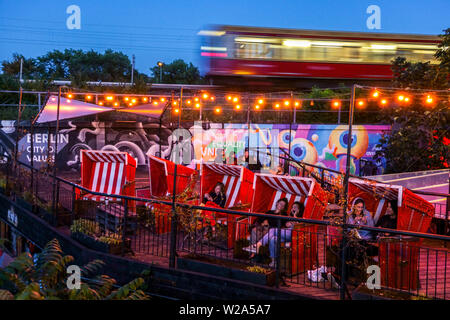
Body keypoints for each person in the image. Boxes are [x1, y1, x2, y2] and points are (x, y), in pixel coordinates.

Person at [244, 201, 303, 267]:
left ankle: (257, 245)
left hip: (294, 234)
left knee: (272, 230)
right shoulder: (289, 217)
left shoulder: (302, 217)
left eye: (295, 207)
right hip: (285, 233)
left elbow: (298, 226)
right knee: (273, 239)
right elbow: (287, 224)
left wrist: (295, 217)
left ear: (299, 209)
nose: (293, 209)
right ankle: (274, 261)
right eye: (292, 207)